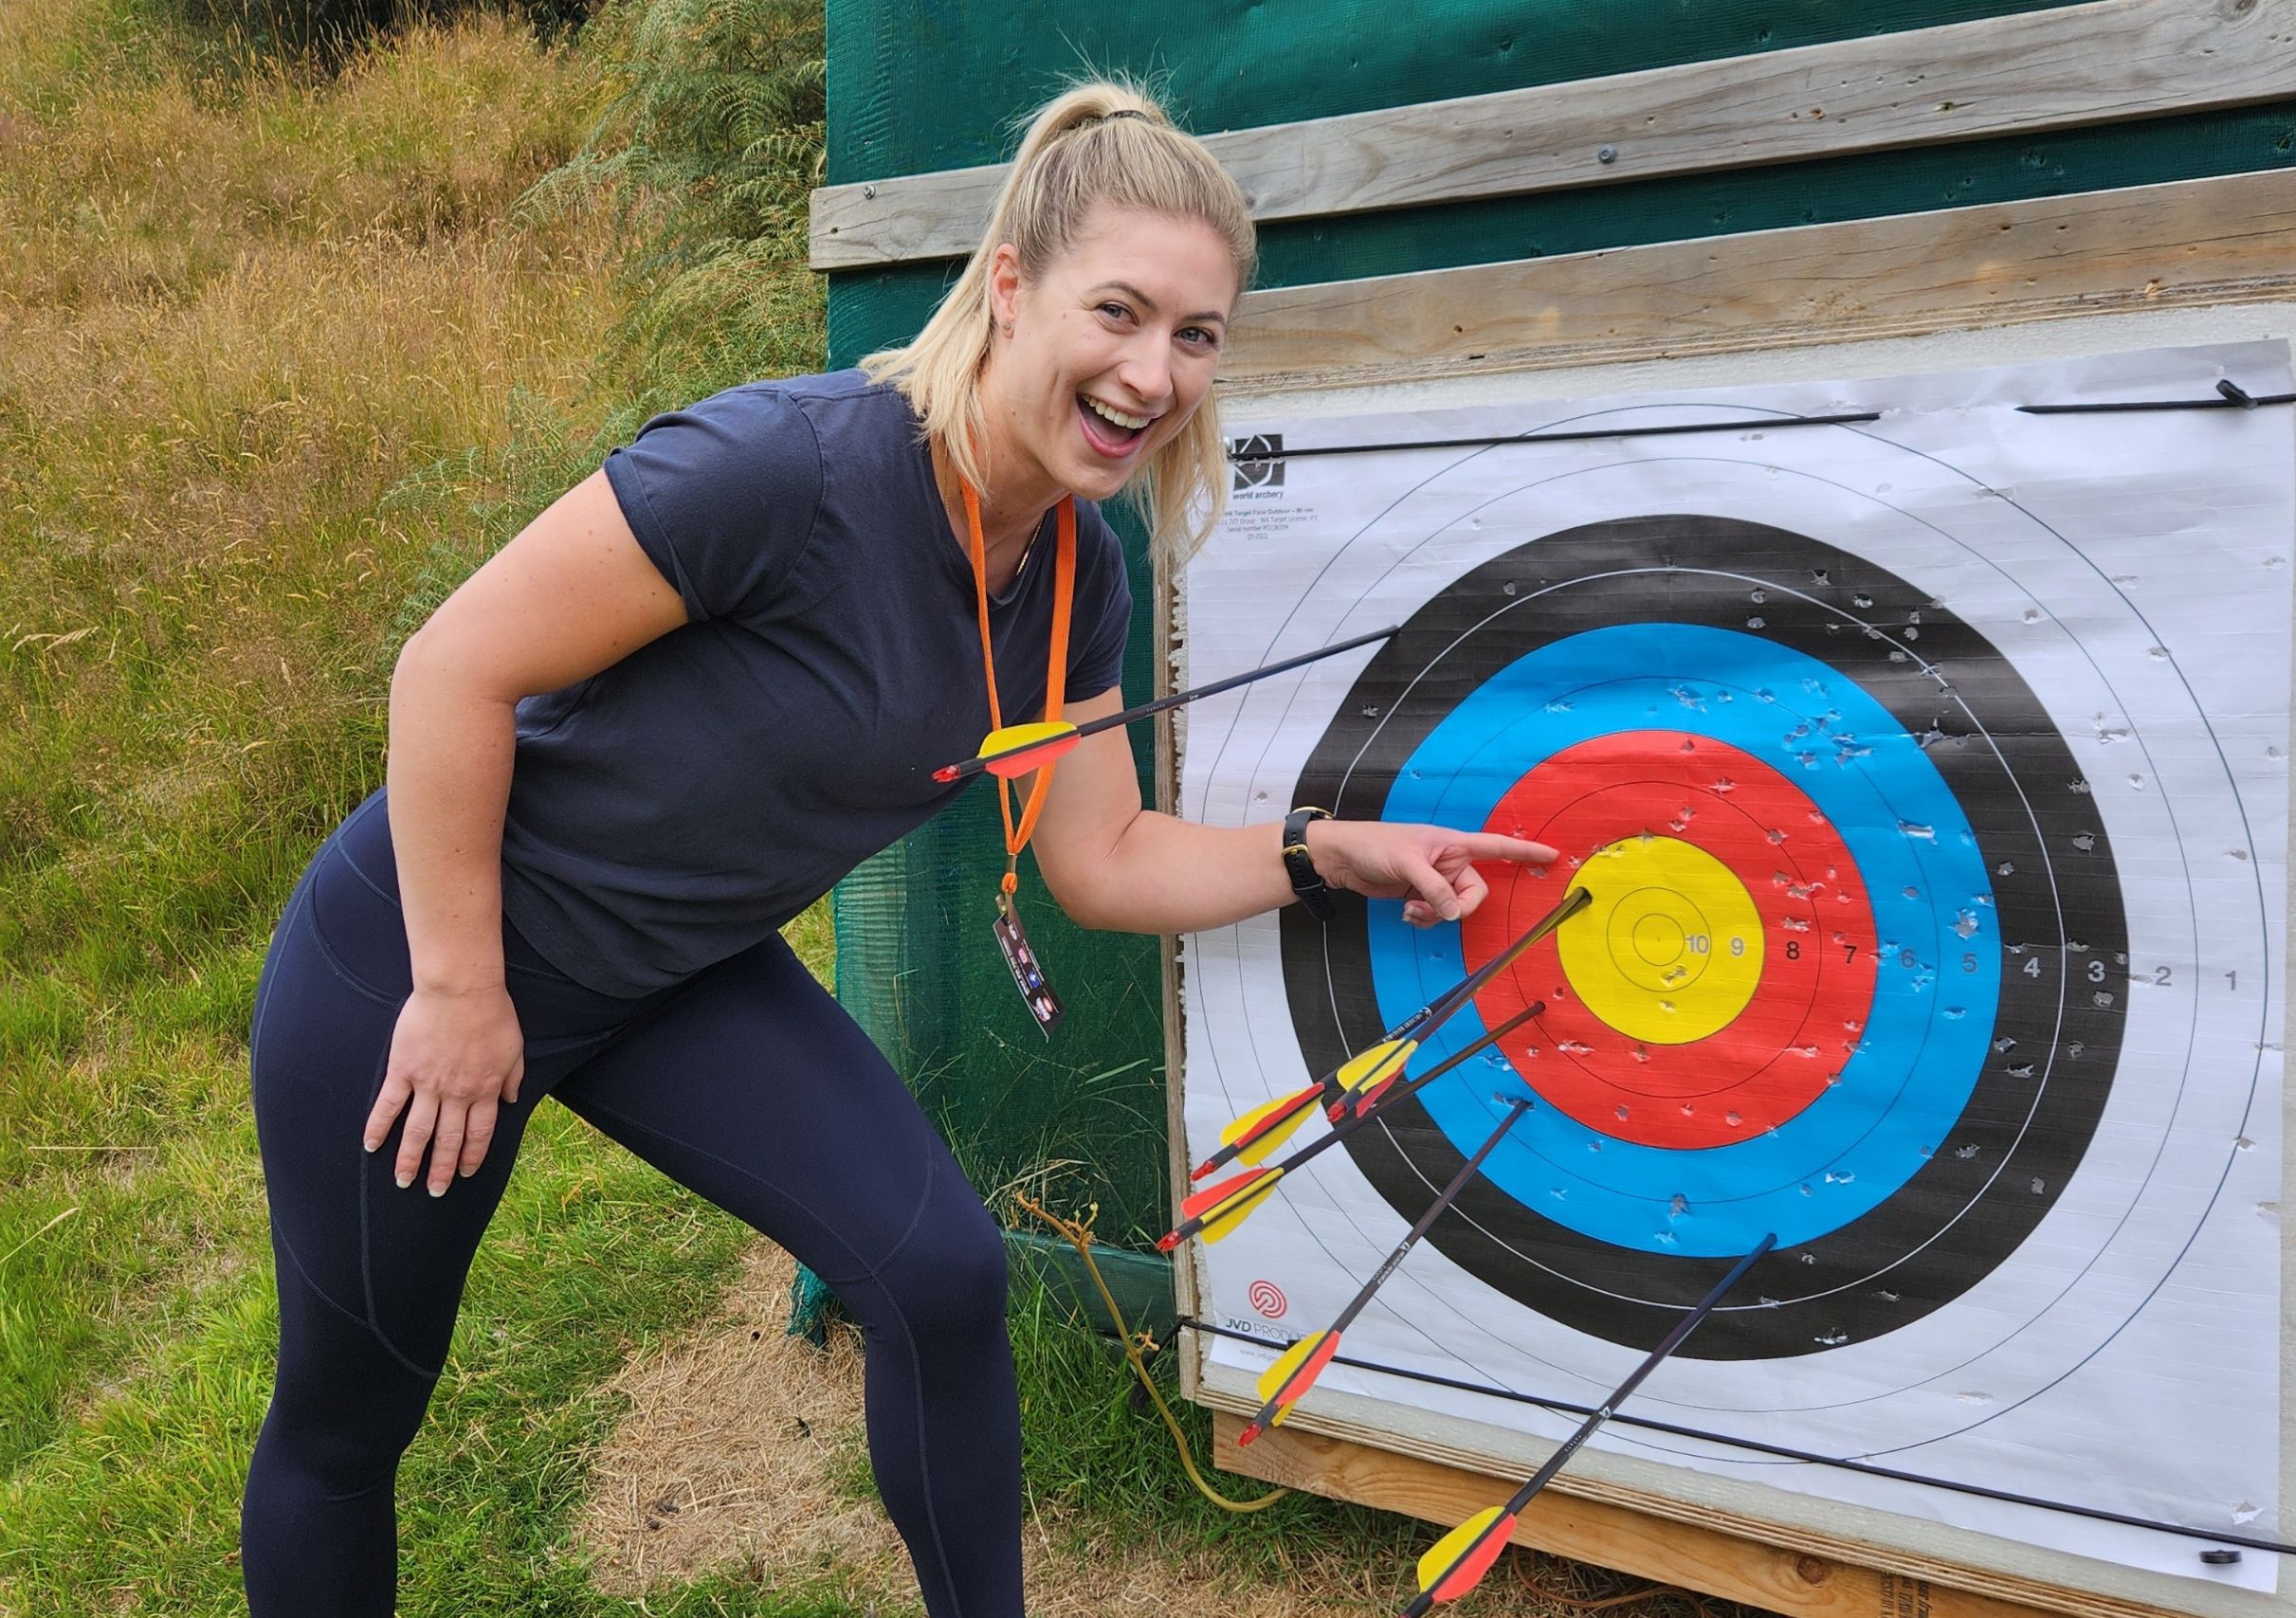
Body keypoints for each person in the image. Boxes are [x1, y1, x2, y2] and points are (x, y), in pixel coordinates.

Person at [240, 80, 1557, 1618]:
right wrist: (461, 989)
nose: (1153, 374)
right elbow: (450, 669)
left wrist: (1328, 850)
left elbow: (1103, 858)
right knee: (352, 1418)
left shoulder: (1075, 573)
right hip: (420, 956)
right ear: (1008, 285)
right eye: (1118, 312)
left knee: (939, 1278)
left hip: (672, 978)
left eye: (1194, 335)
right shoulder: (786, 468)